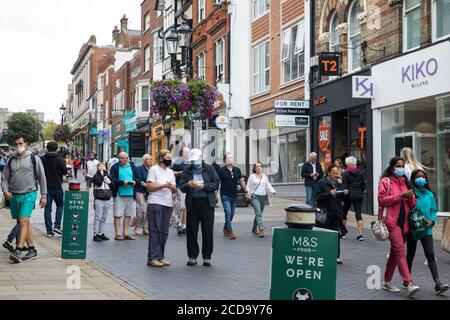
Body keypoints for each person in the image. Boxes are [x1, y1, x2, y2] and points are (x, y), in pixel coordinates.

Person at [378, 156, 420, 297]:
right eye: (398, 165)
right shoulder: (386, 181)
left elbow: (413, 205)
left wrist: (410, 196)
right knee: (400, 251)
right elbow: (381, 200)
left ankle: (387, 281)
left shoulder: (405, 182)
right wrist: (400, 196)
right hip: (391, 222)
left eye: (402, 165)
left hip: (405, 223)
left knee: (395, 253)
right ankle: (409, 283)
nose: (401, 168)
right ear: (392, 167)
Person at [2, 135, 47, 263]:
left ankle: (18, 250)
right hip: (14, 195)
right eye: (16, 144)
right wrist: (5, 190)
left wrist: (44, 195)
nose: (18, 146)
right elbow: (5, 178)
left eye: (20, 143)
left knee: (22, 221)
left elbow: (42, 177)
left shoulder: (34, 159)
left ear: (26, 143)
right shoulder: (11, 160)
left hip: (29, 193)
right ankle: (32, 249)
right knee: (24, 223)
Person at [406, 169, 449, 295]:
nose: (421, 178)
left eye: (423, 176)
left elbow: (433, 211)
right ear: (413, 179)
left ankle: (438, 283)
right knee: (411, 255)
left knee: (430, 255)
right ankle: (407, 281)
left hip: (427, 230)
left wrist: (432, 221)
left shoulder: (430, 194)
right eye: (418, 176)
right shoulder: (411, 193)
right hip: (414, 229)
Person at [180, 149, 220, 267]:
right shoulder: (187, 170)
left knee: (207, 229)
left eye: (197, 159)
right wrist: (188, 184)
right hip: (192, 202)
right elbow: (181, 186)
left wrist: (205, 186)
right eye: (193, 160)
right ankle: (192, 256)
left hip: (207, 202)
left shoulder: (209, 168)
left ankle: (207, 256)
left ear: (201, 157)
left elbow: (216, 183)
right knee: (192, 230)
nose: (195, 161)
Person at [146, 150, 177, 267]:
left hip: (167, 204)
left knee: (164, 231)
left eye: (170, 157)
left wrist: (172, 187)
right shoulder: (153, 169)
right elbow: (149, 187)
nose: (169, 159)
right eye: (167, 157)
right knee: (155, 230)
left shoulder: (170, 172)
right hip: (155, 202)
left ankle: (160, 256)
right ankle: (152, 257)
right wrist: (163, 185)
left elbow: (174, 189)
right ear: (160, 158)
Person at [315, 164, 348, 264]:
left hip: (336, 213)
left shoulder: (338, 183)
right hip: (326, 213)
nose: (335, 175)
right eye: (333, 173)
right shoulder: (322, 182)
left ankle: (336, 256)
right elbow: (318, 198)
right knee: (325, 235)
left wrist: (344, 192)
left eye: (337, 173)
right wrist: (329, 194)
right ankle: (323, 254)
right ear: (328, 173)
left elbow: (341, 198)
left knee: (336, 235)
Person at [110, 152, 140, 241]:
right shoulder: (115, 167)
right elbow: (112, 179)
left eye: (123, 158)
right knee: (117, 214)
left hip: (130, 194)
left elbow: (138, 178)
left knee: (128, 214)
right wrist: (122, 182)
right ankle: (117, 234)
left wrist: (135, 182)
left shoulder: (133, 166)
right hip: (119, 193)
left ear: (127, 158)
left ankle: (126, 233)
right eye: (120, 157)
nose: (121, 159)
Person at [40, 141, 68, 237]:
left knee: (47, 208)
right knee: (60, 205)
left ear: (47, 148)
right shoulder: (59, 159)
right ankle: (57, 225)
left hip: (45, 188)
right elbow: (64, 172)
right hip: (57, 186)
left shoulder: (42, 159)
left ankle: (49, 231)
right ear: (56, 149)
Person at [218, 153, 248, 240]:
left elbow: (241, 182)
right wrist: (216, 193)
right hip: (225, 195)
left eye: (232, 157)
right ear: (225, 160)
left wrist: (246, 191)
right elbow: (216, 181)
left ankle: (225, 228)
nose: (231, 159)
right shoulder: (221, 170)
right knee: (228, 212)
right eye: (229, 158)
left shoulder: (237, 170)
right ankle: (230, 231)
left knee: (232, 214)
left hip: (234, 195)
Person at [246, 162, 276, 238]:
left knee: (259, 213)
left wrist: (273, 191)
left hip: (263, 197)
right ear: (255, 168)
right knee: (258, 212)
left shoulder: (264, 177)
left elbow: (268, 185)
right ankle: (261, 228)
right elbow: (248, 186)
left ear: (262, 168)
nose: (259, 168)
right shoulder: (252, 176)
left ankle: (254, 227)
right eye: (257, 166)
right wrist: (248, 192)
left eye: (260, 166)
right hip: (255, 196)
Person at [342, 156, 365, 241]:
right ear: (355, 163)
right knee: (358, 214)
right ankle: (360, 234)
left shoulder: (345, 173)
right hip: (358, 194)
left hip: (348, 195)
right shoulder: (360, 172)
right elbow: (363, 185)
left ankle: (343, 233)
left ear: (347, 164)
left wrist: (342, 198)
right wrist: (360, 192)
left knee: (344, 213)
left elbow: (344, 186)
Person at [92, 162, 113, 242]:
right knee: (98, 217)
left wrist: (110, 182)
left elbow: (113, 186)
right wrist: (101, 175)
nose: (102, 167)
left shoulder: (109, 176)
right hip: (99, 199)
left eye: (103, 166)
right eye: (100, 166)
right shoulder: (96, 176)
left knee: (104, 218)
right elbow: (99, 183)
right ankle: (95, 234)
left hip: (107, 199)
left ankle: (101, 233)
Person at [172, 147, 191, 236]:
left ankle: (184, 225)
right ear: (182, 153)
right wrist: (181, 172)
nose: (187, 153)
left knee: (187, 207)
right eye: (185, 152)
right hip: (181, 187)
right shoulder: (178, 162)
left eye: (188, 152)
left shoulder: (192, 162)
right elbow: (172, 173)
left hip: (191, 188)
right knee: (183, 206)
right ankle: (180, 224)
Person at [132, 154, 152, 236]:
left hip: (149, 192)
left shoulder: (152, 169)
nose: (149, 161)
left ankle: (146, 227)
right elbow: (137, 179)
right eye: (147, 159)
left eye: (150, 159)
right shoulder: (139, 168)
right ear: (144, 160)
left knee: (147, 210)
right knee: (141, 210)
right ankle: (137, 227)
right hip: (140, 191)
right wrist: (146, 184)